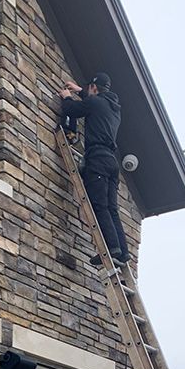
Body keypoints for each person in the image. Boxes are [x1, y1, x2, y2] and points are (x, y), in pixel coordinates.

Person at [59, 72, 131, 267]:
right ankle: (123, 252)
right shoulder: (113, 107)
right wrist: (80, 90)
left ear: (94, 87)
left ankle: (112, 250)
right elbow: (94, 102)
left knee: (99, 206)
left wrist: (66, 97)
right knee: (112, 208)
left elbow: (73, 110)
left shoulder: (95, 103)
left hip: (97, 159)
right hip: (111, 163)